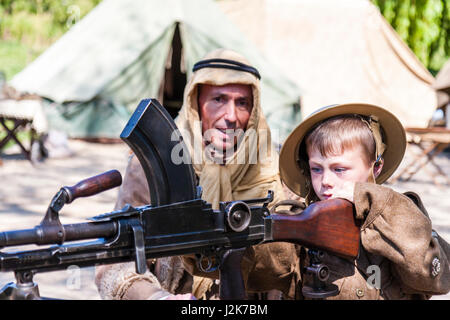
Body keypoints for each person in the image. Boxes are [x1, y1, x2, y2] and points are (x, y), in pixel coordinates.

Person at [95, 49, 300, 300]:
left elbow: (298, 257)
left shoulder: (275, 168)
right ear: (195, 102)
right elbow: (116, 262)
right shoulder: (155, 163)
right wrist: (156, 298)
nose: (231, 117)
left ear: (254, 110)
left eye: (242, 103)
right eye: (218, 99)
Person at [276, 103, 450, 299]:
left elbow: (434, 280)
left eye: (339, 169)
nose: (325, 181)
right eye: (316, 169)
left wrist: (376, 204)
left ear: (376, 167)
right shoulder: (301, 218)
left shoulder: (398, 213)